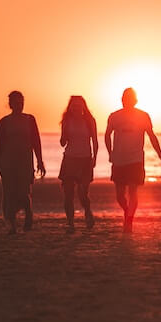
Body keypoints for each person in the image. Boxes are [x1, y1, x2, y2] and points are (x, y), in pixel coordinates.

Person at [105, 88, 161, 232]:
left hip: (135, 159)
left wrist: (160, 154)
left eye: (130, 98)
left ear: (135, 100)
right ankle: (127, 211)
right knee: (120, 196)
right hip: (119, 159)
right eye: (124, 98)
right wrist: (110, 153)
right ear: (121, 100)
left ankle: (129, 220)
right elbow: (107, 135)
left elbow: (151, 136)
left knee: (133, 191)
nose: (126, 101)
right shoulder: (114, 116)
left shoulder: (143, 116)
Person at [0, 91, 46, 234]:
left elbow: (36, 141)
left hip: (25, 162)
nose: (19, 105)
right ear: (10, 104)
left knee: (24, 192)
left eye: (21, 102)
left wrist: (40, 161)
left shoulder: (30, 119)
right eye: (15, 102)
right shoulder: (4, 122)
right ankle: (12, 225)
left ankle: (28, 213)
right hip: (7, 163)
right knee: (9, 193)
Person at [59, 96, 98, 232]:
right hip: (69, 159)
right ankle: (70, 223)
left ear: (83, 107)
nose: (76, 108)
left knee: (82, 191)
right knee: (68, 193)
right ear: (70, 107)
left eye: (78, 105)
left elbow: (95, 140)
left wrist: (94, 158)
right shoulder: (67, 121)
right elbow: (63, 142)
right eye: (73, 106)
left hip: (85, 159)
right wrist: (64, 133)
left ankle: (87, 212)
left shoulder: (89, 121)